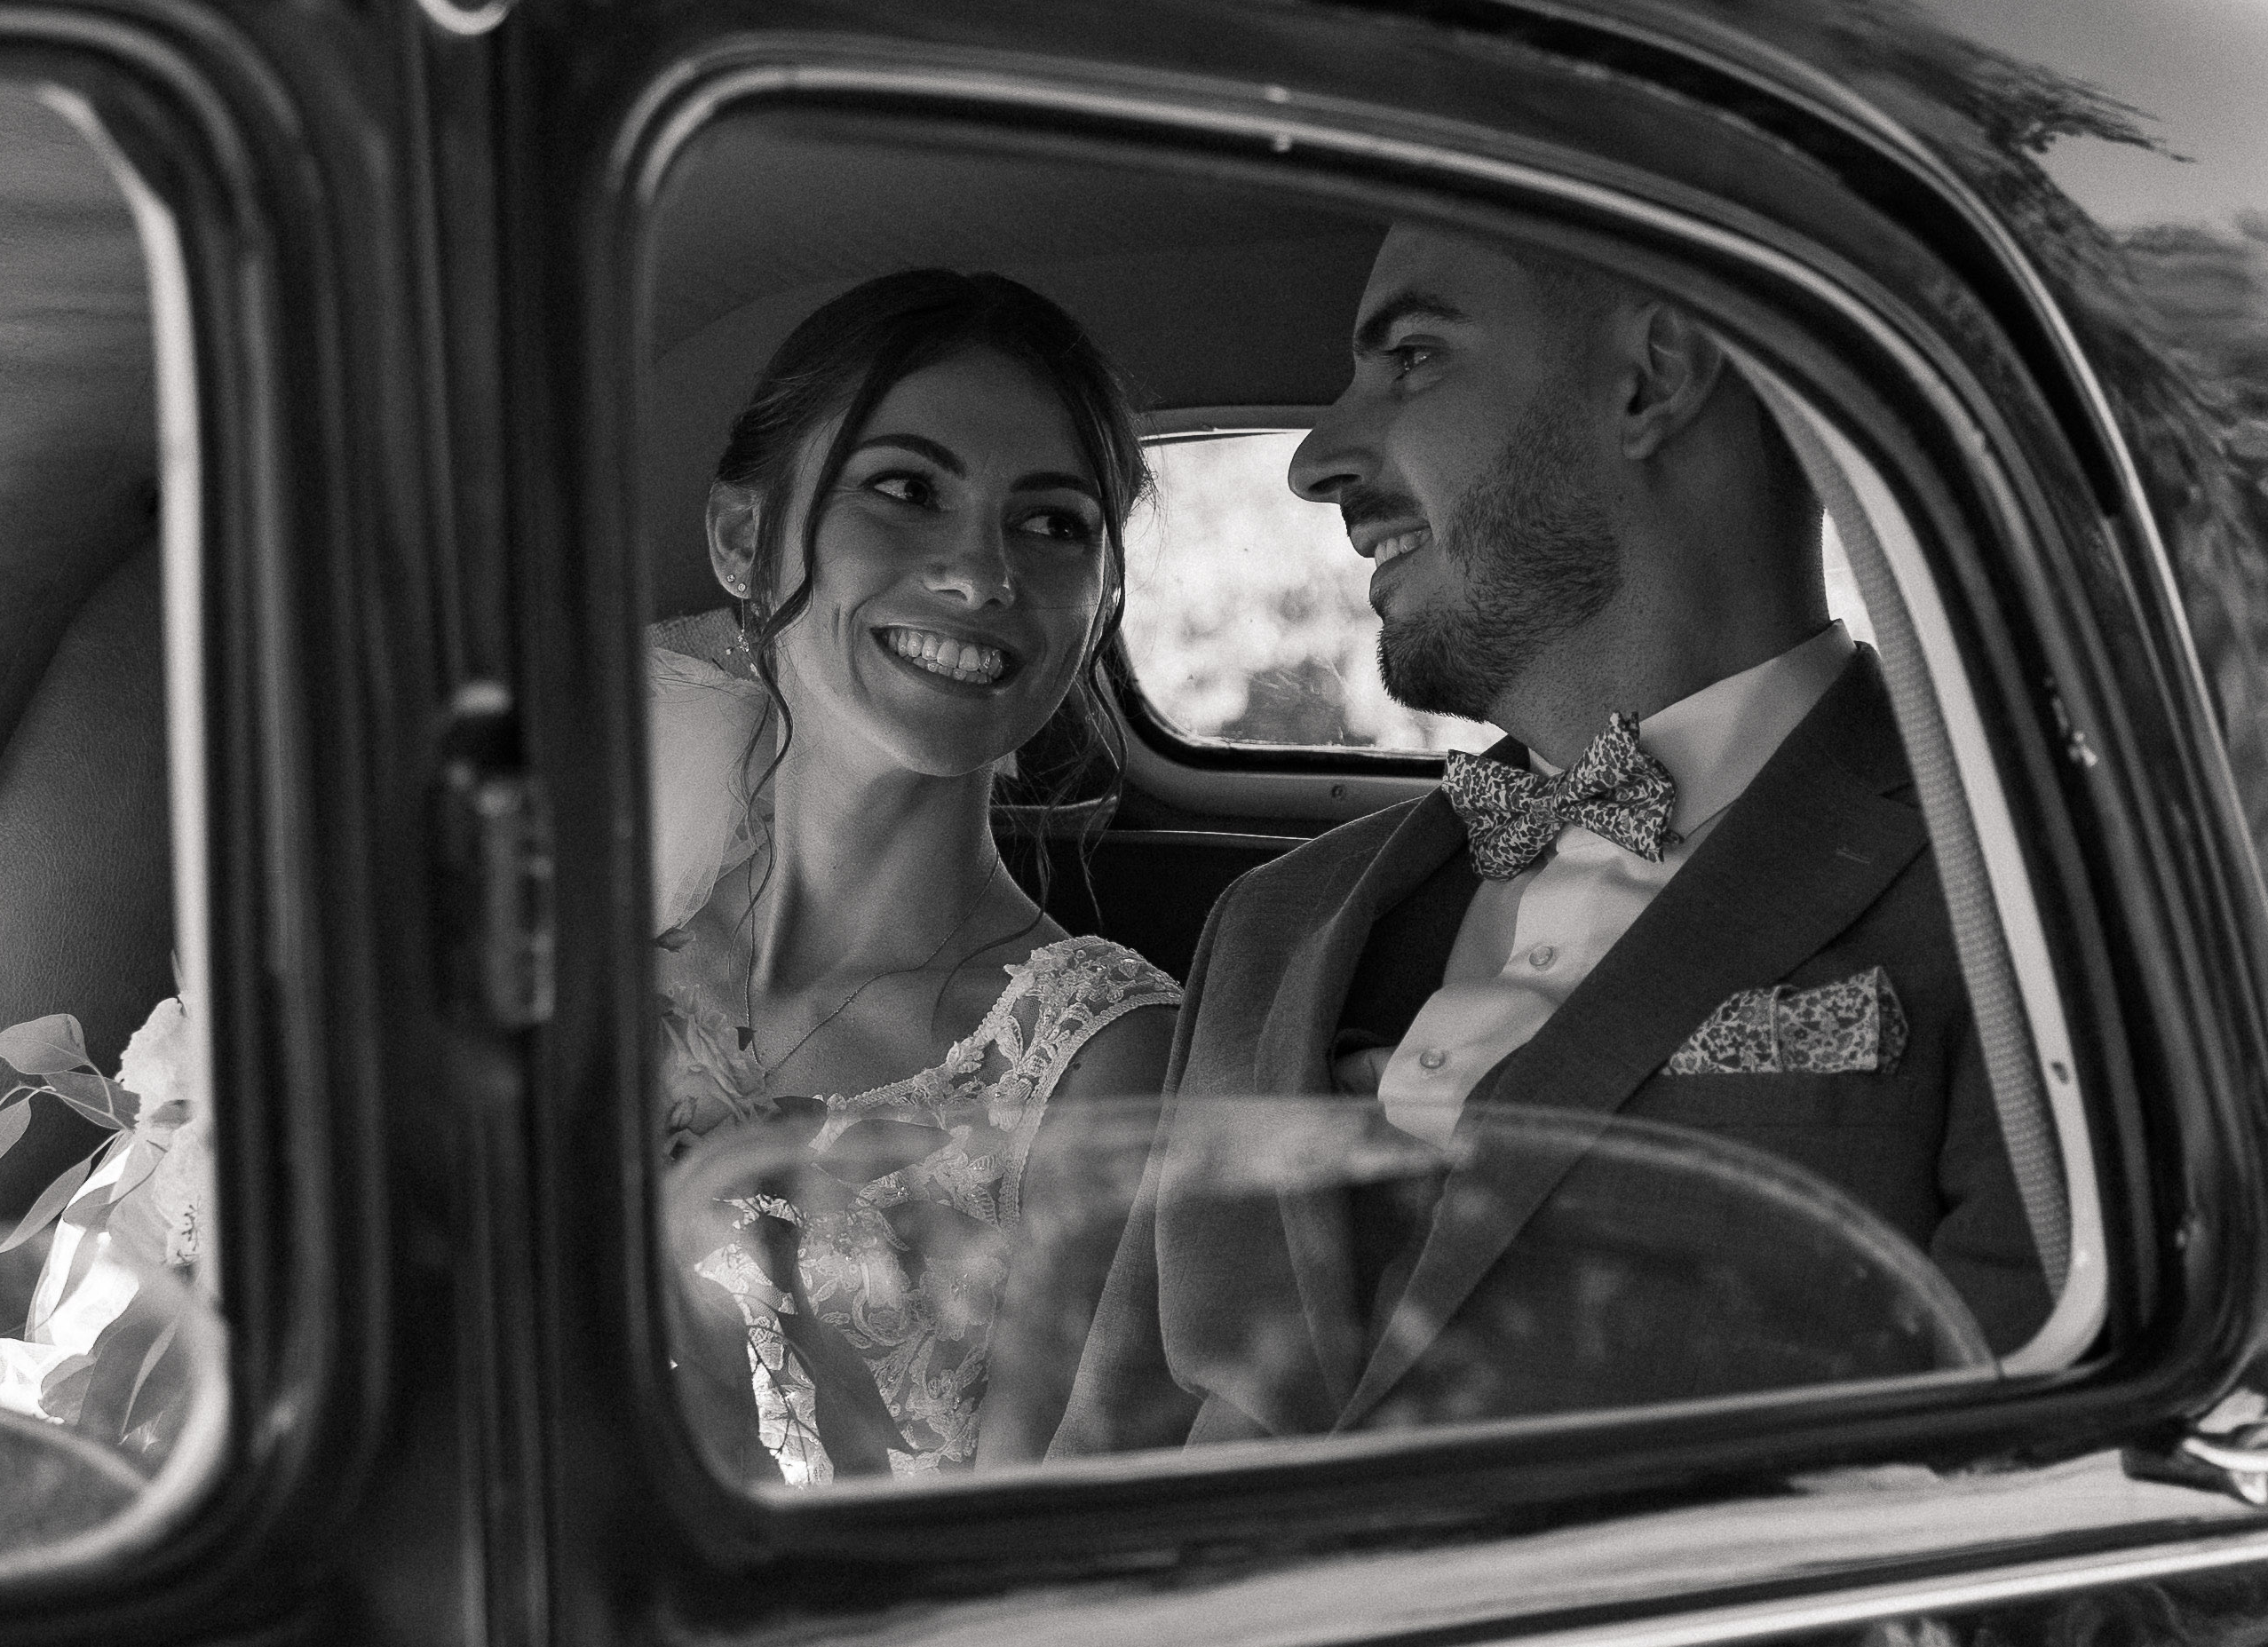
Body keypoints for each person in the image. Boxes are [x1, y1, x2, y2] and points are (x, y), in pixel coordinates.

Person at [1043, 225, 2042, 1455]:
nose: (1317, 461)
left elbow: (2020, 1498)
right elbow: (1100, 1466)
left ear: (1651, 379)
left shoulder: (2022, 892)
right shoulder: (1274, 926)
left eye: (1411, 357)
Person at [649, 269, 1184, 1485]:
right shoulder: (574, 944)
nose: (985, 573)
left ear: (1096, 604)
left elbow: (1028, 1575)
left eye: (1053, 524)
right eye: (906, 490)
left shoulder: (1098, 1061)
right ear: (743, 537)